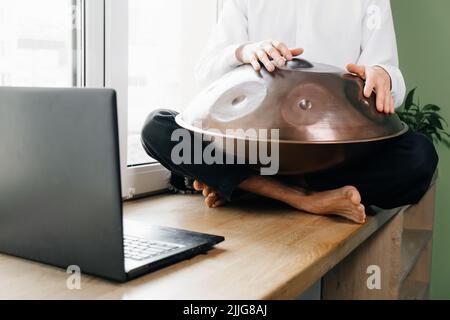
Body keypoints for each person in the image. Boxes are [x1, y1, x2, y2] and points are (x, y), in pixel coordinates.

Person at [141, 0, 438, 224]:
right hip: (253, 150)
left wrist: (383, 75)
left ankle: (249, 188)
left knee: (419, 156)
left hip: (331, 158)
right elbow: (206, 72)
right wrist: (243, 52)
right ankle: (300, 197)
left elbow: (387, 72)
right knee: (157, 127)